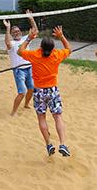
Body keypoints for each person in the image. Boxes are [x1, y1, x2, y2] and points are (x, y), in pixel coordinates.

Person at [18, 25, 71, 157]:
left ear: (41, 47)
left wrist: (29, 38)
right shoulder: (56, 55)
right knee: (57, 117)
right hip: (52, 90)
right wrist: (61, 36)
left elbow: (20, 51)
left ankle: (48, 144)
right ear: (53, 48)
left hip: (39, 91)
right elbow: (69, 49)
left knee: (42, 118)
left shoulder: (35, 55)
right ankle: (63, 144)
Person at [3, 10, 38, 116]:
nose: (16, 32)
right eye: (14, 32)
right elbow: (7, 42)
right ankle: (13, 112)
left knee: (31, 88)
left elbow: (35, 31)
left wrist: (30, 18)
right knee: (22, 92)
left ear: (21, 32)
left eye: (18, 31)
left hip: (29, 68)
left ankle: (26, 104)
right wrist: (8, 28)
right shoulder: (12, 43)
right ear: (12, 34)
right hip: (19, 70)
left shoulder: (25, 39)